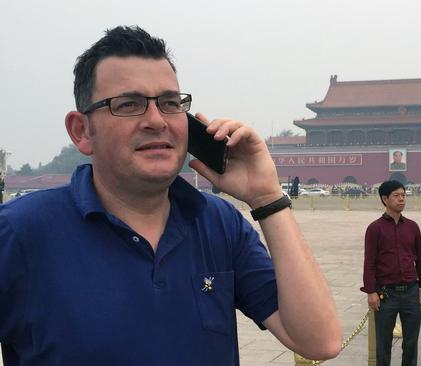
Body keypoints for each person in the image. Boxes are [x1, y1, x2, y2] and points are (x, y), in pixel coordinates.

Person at [0, 26, 341, 365]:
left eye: (170, 103)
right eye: (129, 104)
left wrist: (268, 198)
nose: (156, 120)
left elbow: (319, 341)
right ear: (82, 130)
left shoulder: (218, 223)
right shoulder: (20, 231)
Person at [362, 180, 421, 366]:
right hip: (386, 294)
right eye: (396, 196)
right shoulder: (375, 229)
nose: (401, 199)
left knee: (411, 343)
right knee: (383, 344)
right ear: (385, 199)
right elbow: (370, 262)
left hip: (410, 292)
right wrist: (371, 291)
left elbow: (420, 259)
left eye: (403, 195)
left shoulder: (412, 227)